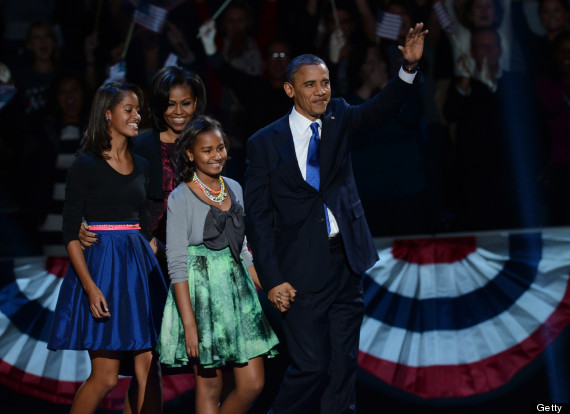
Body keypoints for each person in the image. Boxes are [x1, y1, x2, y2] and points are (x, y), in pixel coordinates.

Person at [244, 23, 427, 414]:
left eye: (325, 82)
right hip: (298, 270)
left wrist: (407, 69)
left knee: (343, 368)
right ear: (290, 89)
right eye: (310, 84)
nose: (321, 91)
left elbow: (381, 109)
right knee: (312, 366)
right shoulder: (263, 142)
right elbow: (257, 219)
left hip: (346, 260)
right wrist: (272, 278)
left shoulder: (340, 117)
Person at [47, 81, 167, 414]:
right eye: (129, 109)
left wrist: (160, 252)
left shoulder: (143, 165)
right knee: (106, 378)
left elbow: (144, 226)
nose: (136, 115)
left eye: (138, 110)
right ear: (108, 115)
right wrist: (90, 288)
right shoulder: (85, 165)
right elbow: (70, 232)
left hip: (138, 274)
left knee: (149, 370)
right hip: (102, 270)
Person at [156, 115, 279, 414]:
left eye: (220, 148)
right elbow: (176, 264)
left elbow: (244, 250)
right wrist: (189, 325)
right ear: (190, 154)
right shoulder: (180, 197)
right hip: (202, 295)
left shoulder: (234, 188)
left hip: (239, 296)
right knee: (210, 386)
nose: (216, 155)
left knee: (252, 384)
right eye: (207, 150)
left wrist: (268, 287)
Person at [79, 66, 207, 269]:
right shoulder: (140, 145)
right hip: (148, 254)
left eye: (186, 103)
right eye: (170, 104)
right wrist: (85, 221)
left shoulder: (208, 145)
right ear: (159, 105)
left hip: (200, 254)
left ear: (196, 103)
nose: (179, 111)